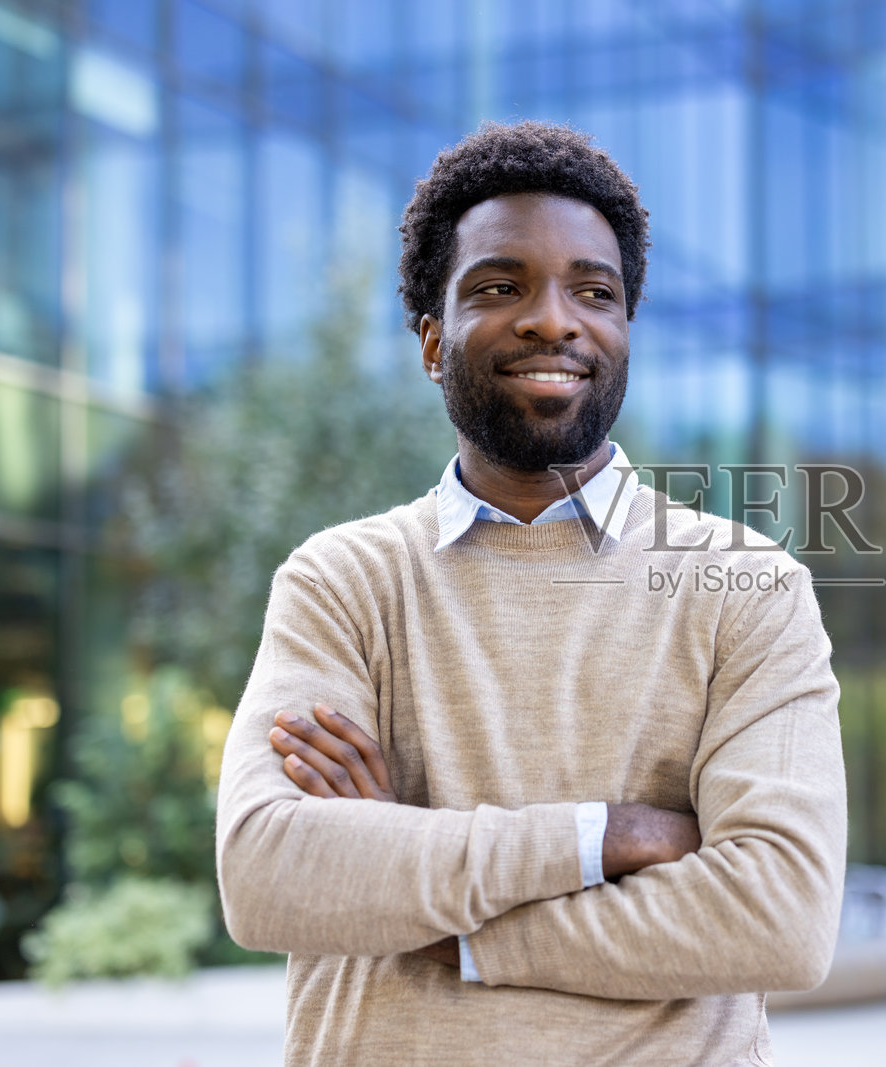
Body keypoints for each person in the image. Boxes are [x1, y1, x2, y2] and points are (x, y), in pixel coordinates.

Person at [214, 120, 847, 1066]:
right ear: (433, 343)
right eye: (500, 286)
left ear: (624, 332)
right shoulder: (341, 580)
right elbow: (270, 874)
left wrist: (432, 906)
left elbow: (780, 916)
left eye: (595, 291)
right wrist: (611, 835)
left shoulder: (746, 587)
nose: (554, 319)